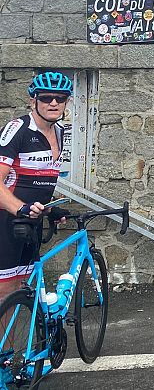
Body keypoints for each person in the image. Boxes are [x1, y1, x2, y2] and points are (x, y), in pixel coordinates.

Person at [0, 72, 72, 301]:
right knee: (5, 291)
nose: (53, 103)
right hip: (6, 221)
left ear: (66, 102)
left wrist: (50, 208)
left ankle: (23, 338)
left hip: (31, 221)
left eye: (60, 98)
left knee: (23, 287)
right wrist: (20, 208)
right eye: (46, 97)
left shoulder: (61, 132)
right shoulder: (18, 130)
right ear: (34, 101)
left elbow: (40, 180)